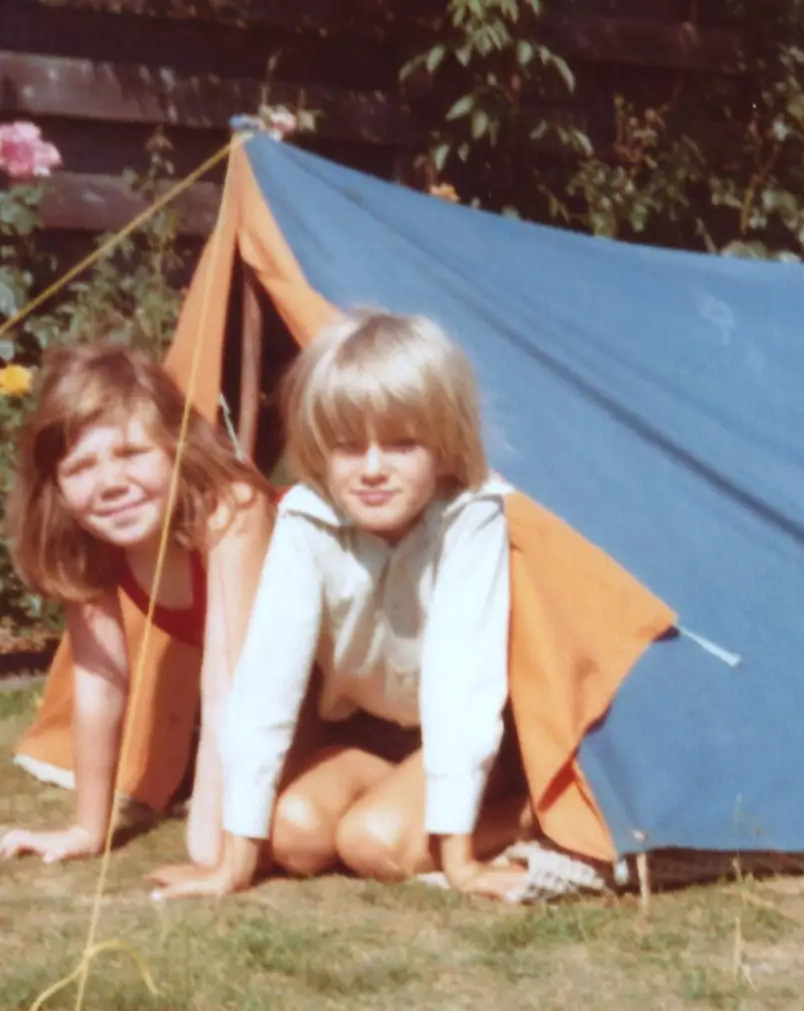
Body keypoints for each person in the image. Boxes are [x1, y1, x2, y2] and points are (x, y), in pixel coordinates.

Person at [152, 310, 534, 902]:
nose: (373, 469)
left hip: (475, 742)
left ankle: (532, 815)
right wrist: (233, 861)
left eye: (403, 444)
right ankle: (396, 802)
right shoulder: (307, 518)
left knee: (374, 843)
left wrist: (459, 862)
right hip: (370, 734)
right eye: (349, 447)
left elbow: (464, 683)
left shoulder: (471, 516)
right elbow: (267, 681)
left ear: (446, 449)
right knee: (293, 838)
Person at [0, 343, 274, 866]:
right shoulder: (95, 545)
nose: (110, 484)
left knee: (213, 845)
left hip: (339, 692)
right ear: (55, 487)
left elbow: (227, 684)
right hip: (269, 702)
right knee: (217, 839)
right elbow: (100, 684)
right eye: (80, 468)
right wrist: (86, 829)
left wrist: (217, 837)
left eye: (131, 454)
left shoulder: (231, 510)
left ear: (177, 448)